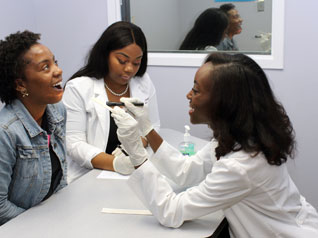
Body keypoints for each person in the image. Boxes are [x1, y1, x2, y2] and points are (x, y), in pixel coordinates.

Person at [111, 53, 318, 237]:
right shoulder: (241, 138)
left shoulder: (240, 166)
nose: (188, 96)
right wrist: (146, 128)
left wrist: (137, 153)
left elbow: (171, 212)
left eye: (196, 90)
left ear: (225, 103)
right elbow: (186, 172)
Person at [0, 30, 67, 236]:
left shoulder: (57, 111)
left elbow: (60, 177)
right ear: (20, 84)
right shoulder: (2, 134)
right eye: (45, 67)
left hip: (48, 223)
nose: (58, 71)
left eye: (55, 62)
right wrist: (40, 227)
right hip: (11, 230)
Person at [62, 21, 160, 183]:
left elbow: (153, 126)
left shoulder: (143, 82)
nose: (129, 69)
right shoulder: (78, 87)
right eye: (122, 61)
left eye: (136, 62)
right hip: (90, 175)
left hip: (133, 170)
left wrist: (133, 147)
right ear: (105, 54)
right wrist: (115, 163)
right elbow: (74, 143)